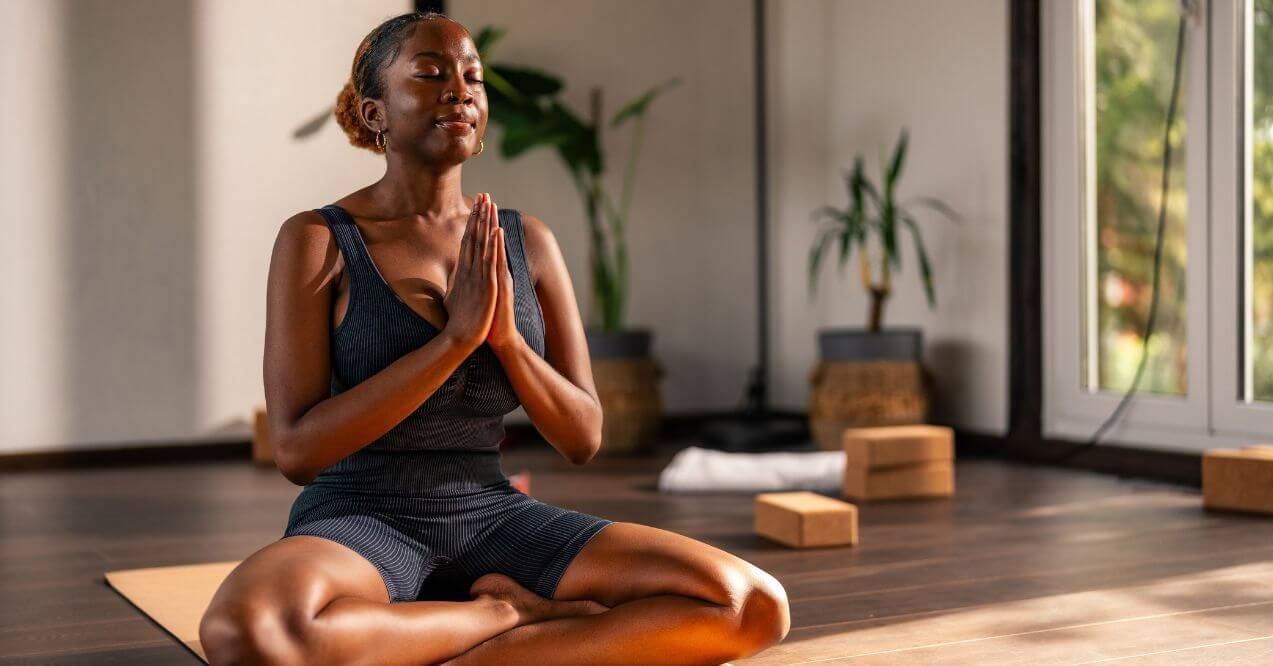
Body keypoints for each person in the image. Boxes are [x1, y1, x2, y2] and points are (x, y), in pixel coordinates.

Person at [199, 10, 790, 665]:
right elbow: (296, 451)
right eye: (429, 74)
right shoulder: (318, 240)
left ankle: (469, 649)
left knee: (751, 604)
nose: (459, 89)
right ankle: (499, 616)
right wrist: (452, 342)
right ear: (374, 114)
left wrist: (505, 338)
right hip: (358, 516)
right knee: (250, 632)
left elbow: (582, 437)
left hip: (492, 513)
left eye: (472, 77)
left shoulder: (526, 241)